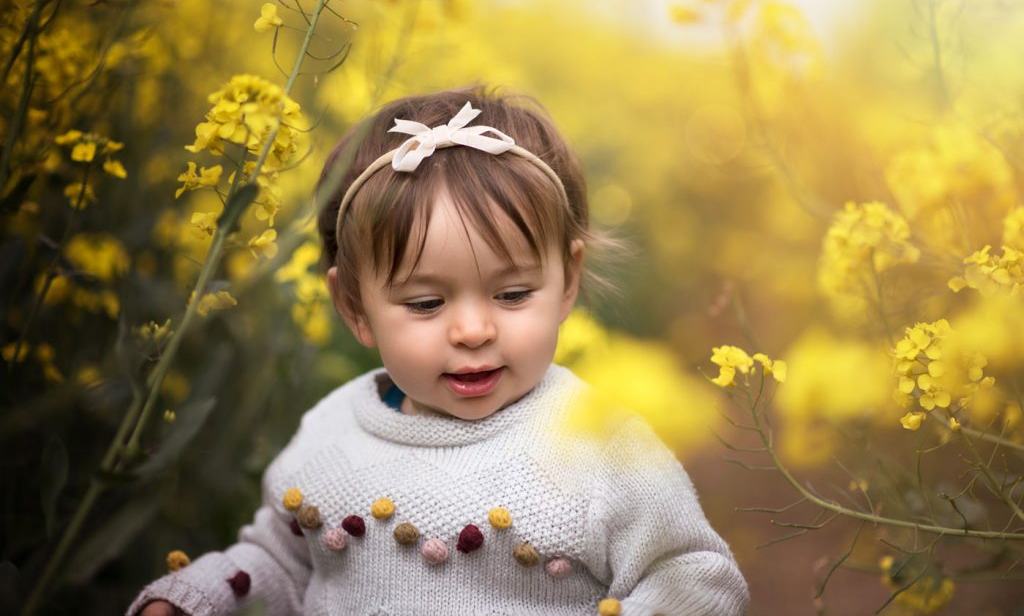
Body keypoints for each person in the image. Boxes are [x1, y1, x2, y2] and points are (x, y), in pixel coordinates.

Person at [131, 87, 748, 616]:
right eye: (426, 304)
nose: (474, 330)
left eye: (512, 293)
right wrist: (194, 597)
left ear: (568, 283)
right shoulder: (331, 433)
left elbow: (696, 578)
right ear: (353, 308)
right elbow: (281, 559)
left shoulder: (597, 441)